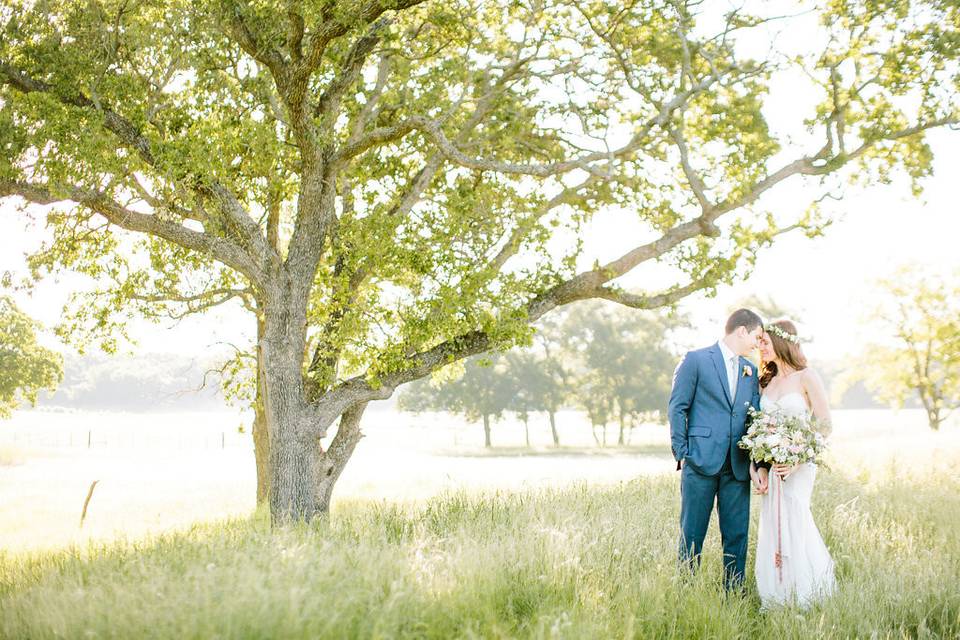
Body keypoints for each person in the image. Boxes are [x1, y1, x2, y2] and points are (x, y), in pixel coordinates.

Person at [668, 308, 764, 592]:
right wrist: (682, 453)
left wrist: (756, 463)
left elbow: (753, 418)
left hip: (737, 466)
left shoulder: (751, 370)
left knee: (737, 534)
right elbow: (677, 407)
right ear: (741, 330)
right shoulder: (696, 360)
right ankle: (685, 592)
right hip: (699, 462)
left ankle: (733, 593)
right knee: (692, 534)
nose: (758, 344)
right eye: (756, 336)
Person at [753, 319, 836, 609]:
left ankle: (806, 593)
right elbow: (755, 429)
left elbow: (824, 424)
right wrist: (758, 467)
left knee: (795, 518)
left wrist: (798, 458)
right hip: (773, 466)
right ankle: (776, 594)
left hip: (800, 466)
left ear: (781, 341)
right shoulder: (765, 381)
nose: (759, 346)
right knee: (773, 521)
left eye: (764, 341)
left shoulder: (806, 377)